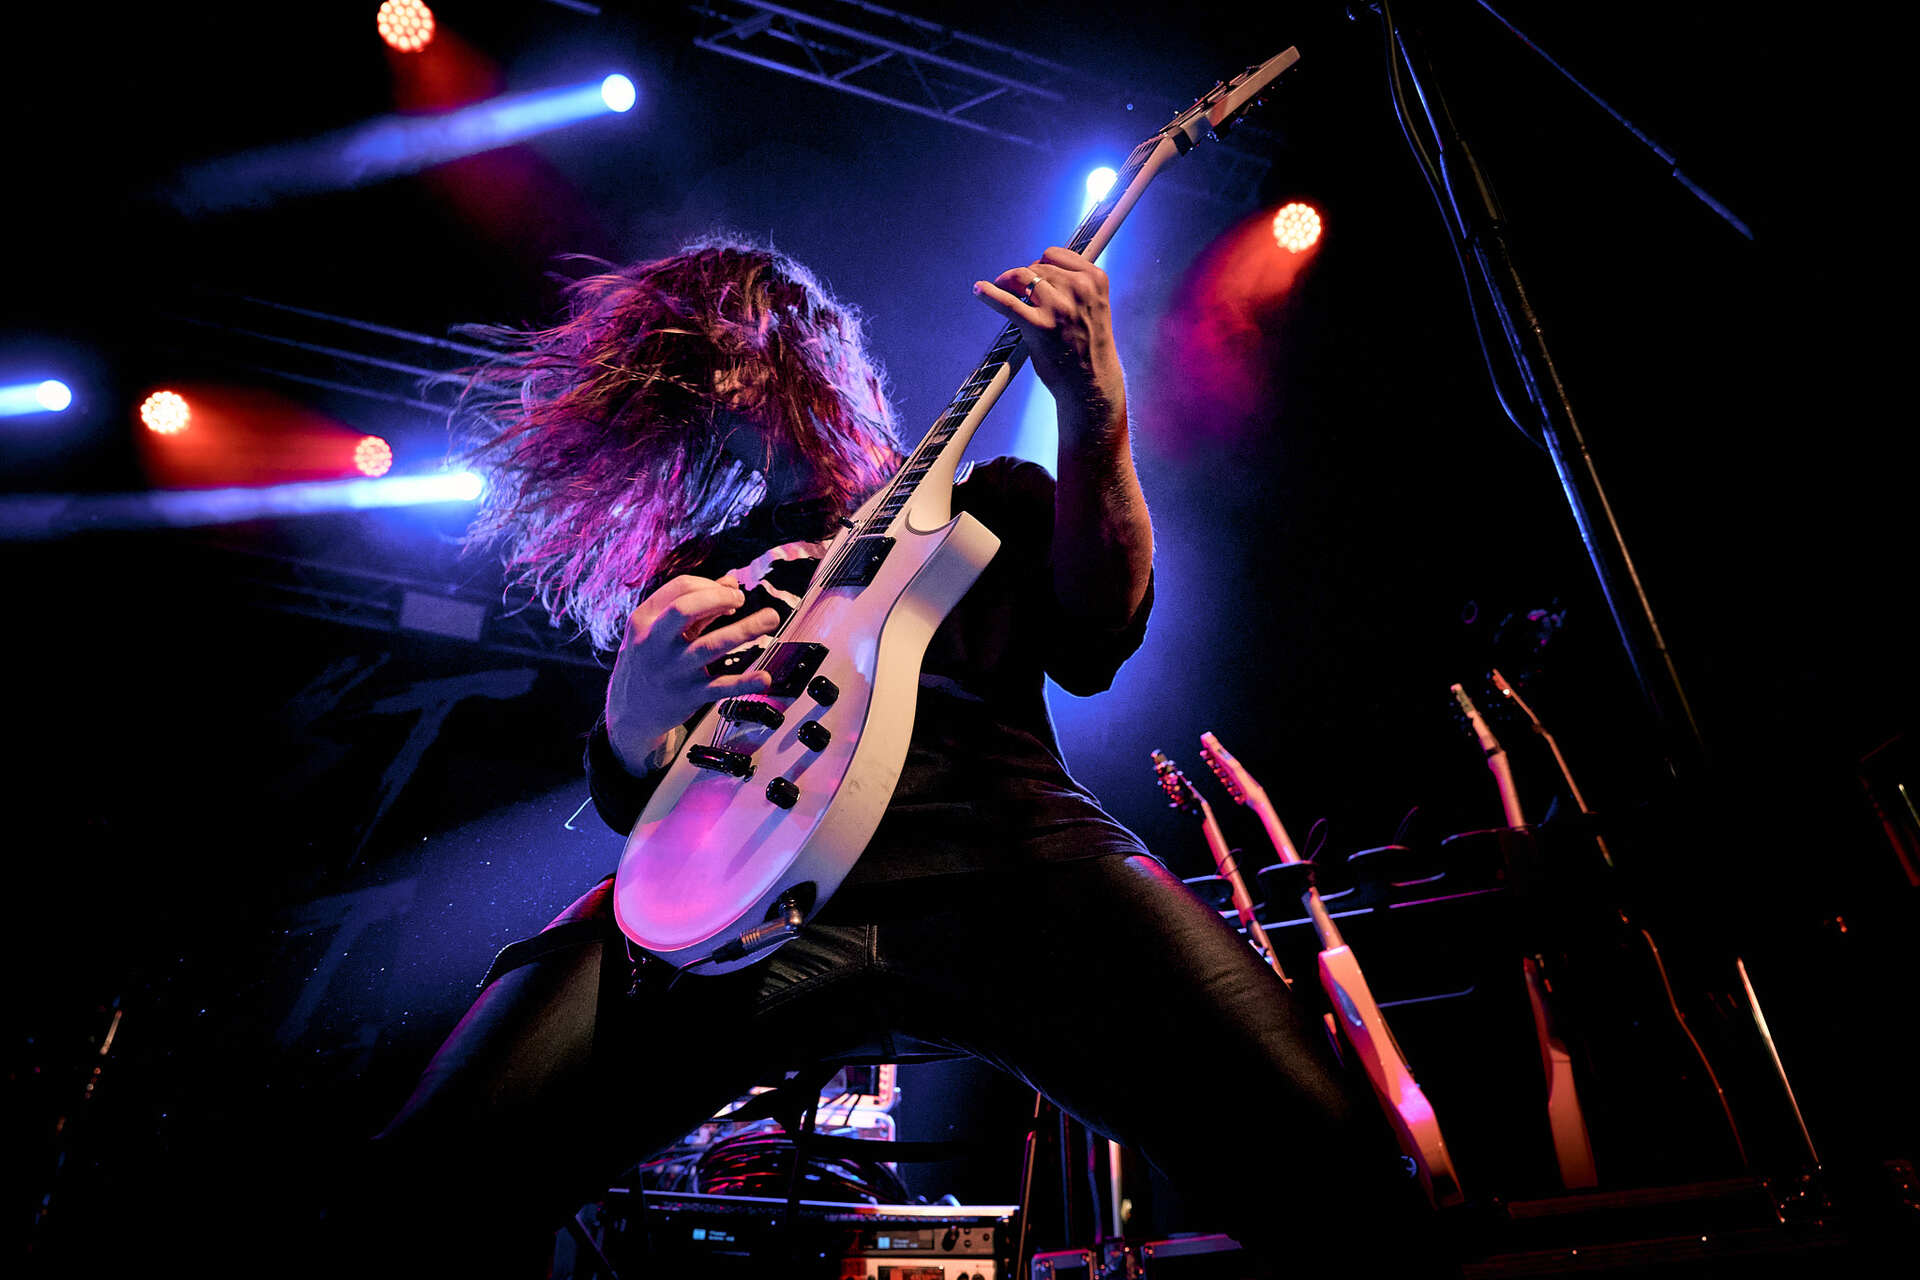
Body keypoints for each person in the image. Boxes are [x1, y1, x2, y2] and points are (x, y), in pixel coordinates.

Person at [341, 237, 1444, 1277]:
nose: (711, 377)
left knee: (1337, 1165)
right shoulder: (704, 567)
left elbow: (1100, 634)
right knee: (424, 1177)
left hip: (1010, 856)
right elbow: (655, 807)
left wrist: (1095, 408)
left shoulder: (985, 500)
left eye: (729, 341)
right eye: (692, 362)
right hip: (745, 902)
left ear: (800, 348)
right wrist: (632, 722)